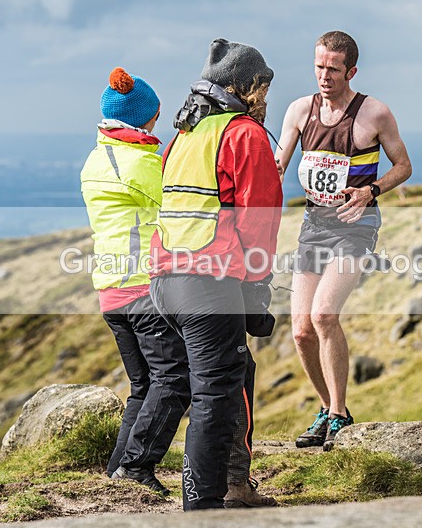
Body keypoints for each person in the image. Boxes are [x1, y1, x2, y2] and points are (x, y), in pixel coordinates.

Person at [149, 38, 283, 510]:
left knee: (229, 375)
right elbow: (259, 220)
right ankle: (201, 505)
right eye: (263, 86)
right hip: (210, 283)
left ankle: (233, 486)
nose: (266, 97)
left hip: (166, 281)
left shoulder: (184, 136)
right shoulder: (245, 134)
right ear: (246, 86)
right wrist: (257, 286)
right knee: (215, 394)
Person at [275, 31, 412, 451]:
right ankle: (327, 410)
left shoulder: (374, 113)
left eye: (333, 69)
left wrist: (371, 190)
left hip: (356, 224)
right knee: (300, 331)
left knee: (324, 315)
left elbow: (403, 166)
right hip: (314, 225)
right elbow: (277, 165)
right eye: (319, 66)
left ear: (351, 70)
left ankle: (339, 413)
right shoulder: (300, 110)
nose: (324, 75)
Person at [80, 67, 178, 495]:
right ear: (148, 118)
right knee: (175, 378)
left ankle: (118, 472)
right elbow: (178, 207)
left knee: (144, 384)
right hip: (142, 289)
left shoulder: (96, 158)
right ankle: (137, 468)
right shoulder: (140, 163)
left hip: (110, 292)